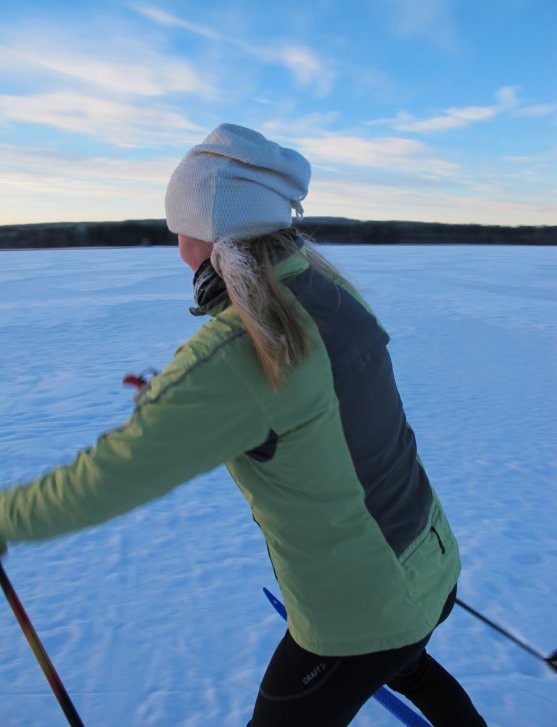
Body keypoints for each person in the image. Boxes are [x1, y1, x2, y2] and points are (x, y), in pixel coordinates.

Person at [0, 124, 488, 726]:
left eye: (182, 227)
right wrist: (178, 400)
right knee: (406, 657)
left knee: (380, 655)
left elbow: (105, 479)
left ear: (211, 234)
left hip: (358, 613)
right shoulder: (326, 288)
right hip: (433, 565)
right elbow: (296, 402)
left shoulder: (237, 355)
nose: (178, 246)